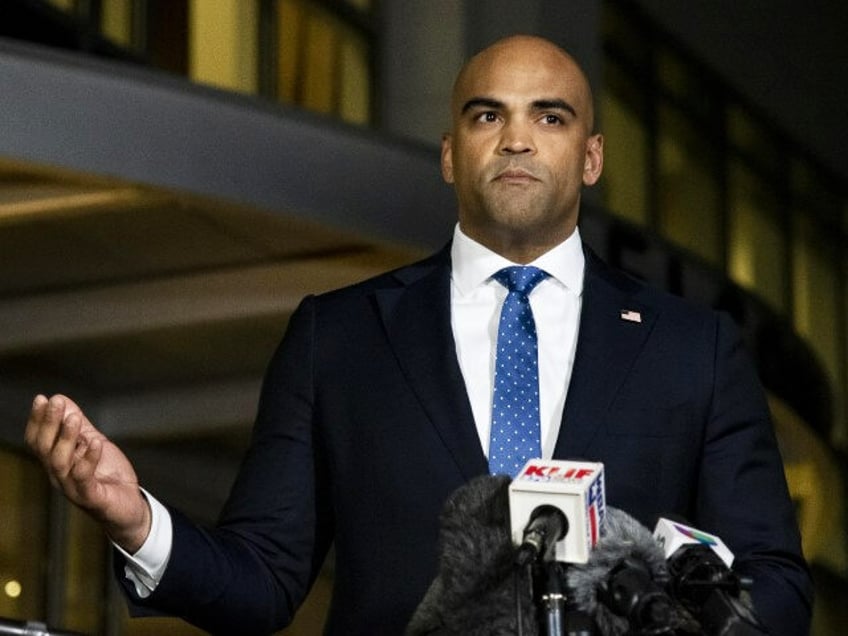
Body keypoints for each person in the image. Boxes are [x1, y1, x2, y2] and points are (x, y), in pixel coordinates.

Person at [25, 35, 812, 635]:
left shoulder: (694, 348)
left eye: (550, 116)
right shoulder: (336, 338)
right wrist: (137, 521)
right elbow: (262, 578)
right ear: (448, 154)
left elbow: (776, 586)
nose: (516, 138)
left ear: (593, 156)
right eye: (486, 114)